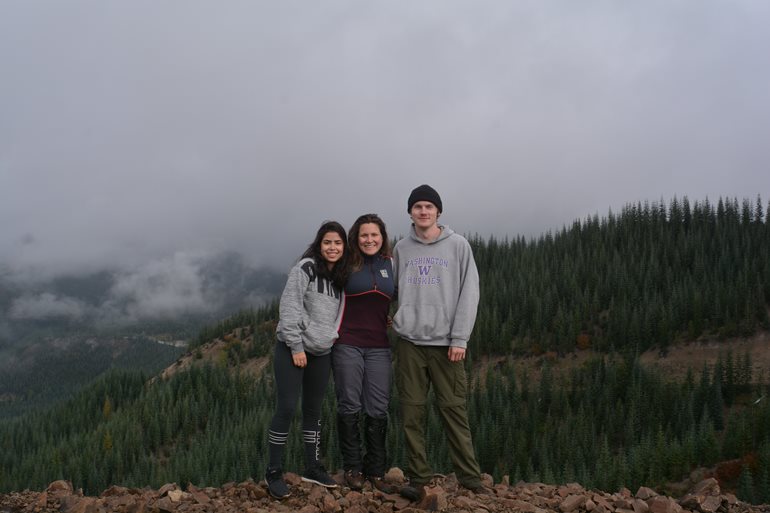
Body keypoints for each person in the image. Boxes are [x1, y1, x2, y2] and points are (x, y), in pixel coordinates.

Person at [391, 184, 488, 499]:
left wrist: (460, 337)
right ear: (410, 212)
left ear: (438, 212)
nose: (423, 212)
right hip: (409, 343)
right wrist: (392, 317)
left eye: (428, 207)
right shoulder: (401, 248)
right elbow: (391, 290)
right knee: (411, 413)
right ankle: (418, 479)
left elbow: (469, 294)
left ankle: (470, 480)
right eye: (417, 207)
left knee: (453, 410)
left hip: (447, 345)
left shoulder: (458, 245)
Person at [265, 221, 348, 499]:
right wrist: (296, 345)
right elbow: (289, 306)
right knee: (287, 407)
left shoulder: (341, 277)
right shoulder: (306, 268)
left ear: (344, 246)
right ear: (319, 244)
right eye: (328, 242)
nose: (333, 247)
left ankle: (312, 467)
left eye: (338, 243)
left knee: (313, 411)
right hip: (293, 349)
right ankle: (273, 471)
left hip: (322, 351)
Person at [332, 214, 398, 492]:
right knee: (350, 404)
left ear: (382, 237)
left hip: (379, 346)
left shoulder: (391, 265)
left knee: (378, 407)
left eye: (374, 235)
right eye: (363, 235)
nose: (369, 240)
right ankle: (353, 467)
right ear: (355, 238)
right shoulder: (345, 264)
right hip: (347, 342)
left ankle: (376, 471)